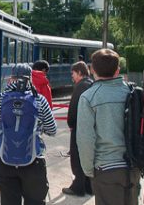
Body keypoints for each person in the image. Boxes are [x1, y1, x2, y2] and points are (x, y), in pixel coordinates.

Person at [76, 49, 141, 205]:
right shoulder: (133, 92)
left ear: (92, 70)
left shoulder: (89, 97)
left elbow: (85, 139)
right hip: (133, 166)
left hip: (105, 168)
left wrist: (88, 170)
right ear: (118, 70)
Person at [0, 63, 57, 205]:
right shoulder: (40, 100)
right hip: (33, 161)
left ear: (11, 79)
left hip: (4, 161)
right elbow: (53, 130)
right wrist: (37, 129)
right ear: (30, 79)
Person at [62, 61, 93, 196]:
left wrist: (71, 124)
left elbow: (73, 108)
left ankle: (78, 187)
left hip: (78, 128)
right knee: (87, 156)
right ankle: (89, 186)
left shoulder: (80, 87)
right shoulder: (91, 84)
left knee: (76, 158)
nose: (72, 76)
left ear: (80, 72)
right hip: (89, 128)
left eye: (73, 73)